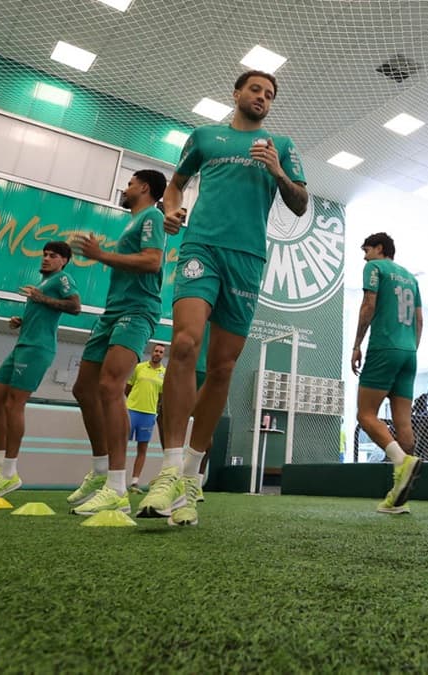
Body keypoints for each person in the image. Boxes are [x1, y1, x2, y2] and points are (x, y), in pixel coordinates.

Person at [137, 70, 307, 526]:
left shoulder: (282, 147)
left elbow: (300, 202)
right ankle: (169, 467)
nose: (262, 98)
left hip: (248, 258)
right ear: (236, 94)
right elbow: (174, 186)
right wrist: (171, 211)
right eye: (255, 90)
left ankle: (191, 475)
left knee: (224, 367)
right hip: (201, 248)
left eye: (270, 95)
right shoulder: (205, 137)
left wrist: (276, 170)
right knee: (186, 344)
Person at [64, 169, 167, 515]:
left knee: (110, 386)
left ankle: (117, 487)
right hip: (113, 311)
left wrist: (102, 255)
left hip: (137, 311)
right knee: (84, 388)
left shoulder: (152, 215)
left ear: (145, 188)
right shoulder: (133, 222)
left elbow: (153, 261)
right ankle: (100, 469)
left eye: (130, 182)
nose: (125, 187)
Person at [0, 242, 80, 498]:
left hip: (38, 348)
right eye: (44, 254)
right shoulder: (42, 283)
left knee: (13, 405)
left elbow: (75, 306)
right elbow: (43, 311)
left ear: (63, 260)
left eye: (52, 256)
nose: (46, 259)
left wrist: (42, 299)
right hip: (22, 344)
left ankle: (10, 472)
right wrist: (23, 320)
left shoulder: (63, 278)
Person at [351, 232, 424, 514]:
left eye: (367, 249)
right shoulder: (411, 278)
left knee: (365, 415)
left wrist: (357, 344)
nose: (364, 255)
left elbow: (368, 305)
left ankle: (400, 462)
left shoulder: (375, 268)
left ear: (380, 248)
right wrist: (410, 350)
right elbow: (419, 320)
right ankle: (399, 497)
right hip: (409, 353)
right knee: (403, 424)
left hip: (384, 348)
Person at [128, 343, 167, 492]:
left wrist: (155, 409)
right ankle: (114, 479)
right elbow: (128, 388)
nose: (158, 353)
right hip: (131, 410)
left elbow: (162, 397)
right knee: (119, 445)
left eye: (161, 352)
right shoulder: (139, 368)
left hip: (149, 415)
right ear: (152, 352)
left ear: (163, 355)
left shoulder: (164, 373)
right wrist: (132, 402)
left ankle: (134, 482)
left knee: (142, 448)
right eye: (156, 351)